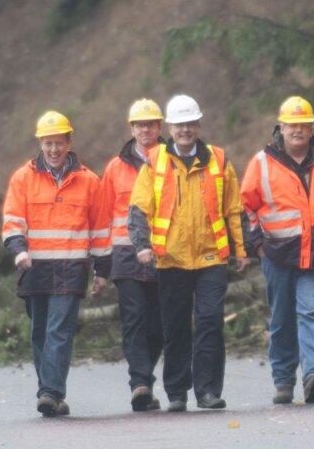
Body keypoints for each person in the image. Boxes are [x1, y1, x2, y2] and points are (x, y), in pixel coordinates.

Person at [127, 94, 250, 412]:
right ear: (170, 127)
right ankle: (177, 391)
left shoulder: (219, 160)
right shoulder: (155, 162)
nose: (185, 130)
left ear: (198, 125)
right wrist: (142, 246)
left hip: (212, 257)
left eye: (190, 123)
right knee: (176, 326)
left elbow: (234, 209)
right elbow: (139, 209)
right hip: (171, 259)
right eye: (180, 124)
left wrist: (242, 249)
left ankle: (208, 391)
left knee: (210, 321)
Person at [240, 96, 314, 405]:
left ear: (311, 127)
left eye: (303, 125)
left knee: (310, 311)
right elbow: (245, 207)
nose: (297, 130)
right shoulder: (262, 163)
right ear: (281, 127)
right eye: (292, 125)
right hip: (278, 254)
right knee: (281, 318)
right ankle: (283, 379)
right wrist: (258, 245)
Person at [0, 111, 110, 417]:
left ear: (69, 142)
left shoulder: (89, 181)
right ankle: (50, 390)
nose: (53, 149)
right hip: (34, 267)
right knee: (39, 333)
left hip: (71, 268)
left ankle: (50, 391)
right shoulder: (23, 178)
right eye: (48, 143)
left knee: (58, 331)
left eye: (59, 143)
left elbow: (100, 229)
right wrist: (18, 249)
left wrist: (102, 271)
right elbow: (12, 220)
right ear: (40, 143)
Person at [98, 98, 166, 411]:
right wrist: (102, 261)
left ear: (159, 126)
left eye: (151, 123)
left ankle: (144, 375)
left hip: (164, 254)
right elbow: (103, 214)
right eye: (140, 124)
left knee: (159, 324)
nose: (146, 129)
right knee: (134, 319)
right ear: (132, 128)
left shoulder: (171, 161)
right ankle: (140, 383)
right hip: (125, 254)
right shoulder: (115, 168)